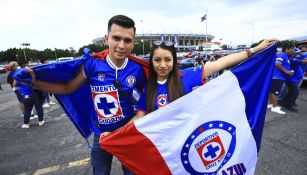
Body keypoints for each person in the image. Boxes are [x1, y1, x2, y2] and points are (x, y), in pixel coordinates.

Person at [24, 15, 146, 175]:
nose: (121, 45)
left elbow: (149, 98)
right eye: (116, 38)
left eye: (127, 40)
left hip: (127, 133)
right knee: (100, 172)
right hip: (100, 134)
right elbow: (67, 87)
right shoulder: (92, 65)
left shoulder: (137, 69)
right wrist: (35, 83)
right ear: (106, 39)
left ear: (133, 43)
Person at [126, 38, 276, 123]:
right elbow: (140, 116)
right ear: (151, 62)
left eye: (167, 59)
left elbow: (220, 63)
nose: (163, 65)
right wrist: (115, 134)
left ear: (174, 61)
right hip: (160, 144)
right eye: (157, 60)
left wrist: (256, 49)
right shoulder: (148, 88)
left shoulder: (186, 76)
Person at [15, 61, 45, 128]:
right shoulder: (32, 77)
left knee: (27, 110)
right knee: (39, 108)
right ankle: (41, 121)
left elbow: (15, 84)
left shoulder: (20, 78)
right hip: (36, 95)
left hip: (26, 96)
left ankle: (26, 124)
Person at [267, 42, 294, 114]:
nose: (292, 50)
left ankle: (270, 104)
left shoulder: (284, 55)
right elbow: (277, 64)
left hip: (277, 76)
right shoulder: (282, 55)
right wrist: (287, 72)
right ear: (286, 49)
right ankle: (274, 107)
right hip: (277, 76)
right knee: (275, 92)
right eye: (291, 49)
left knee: (272, 91)